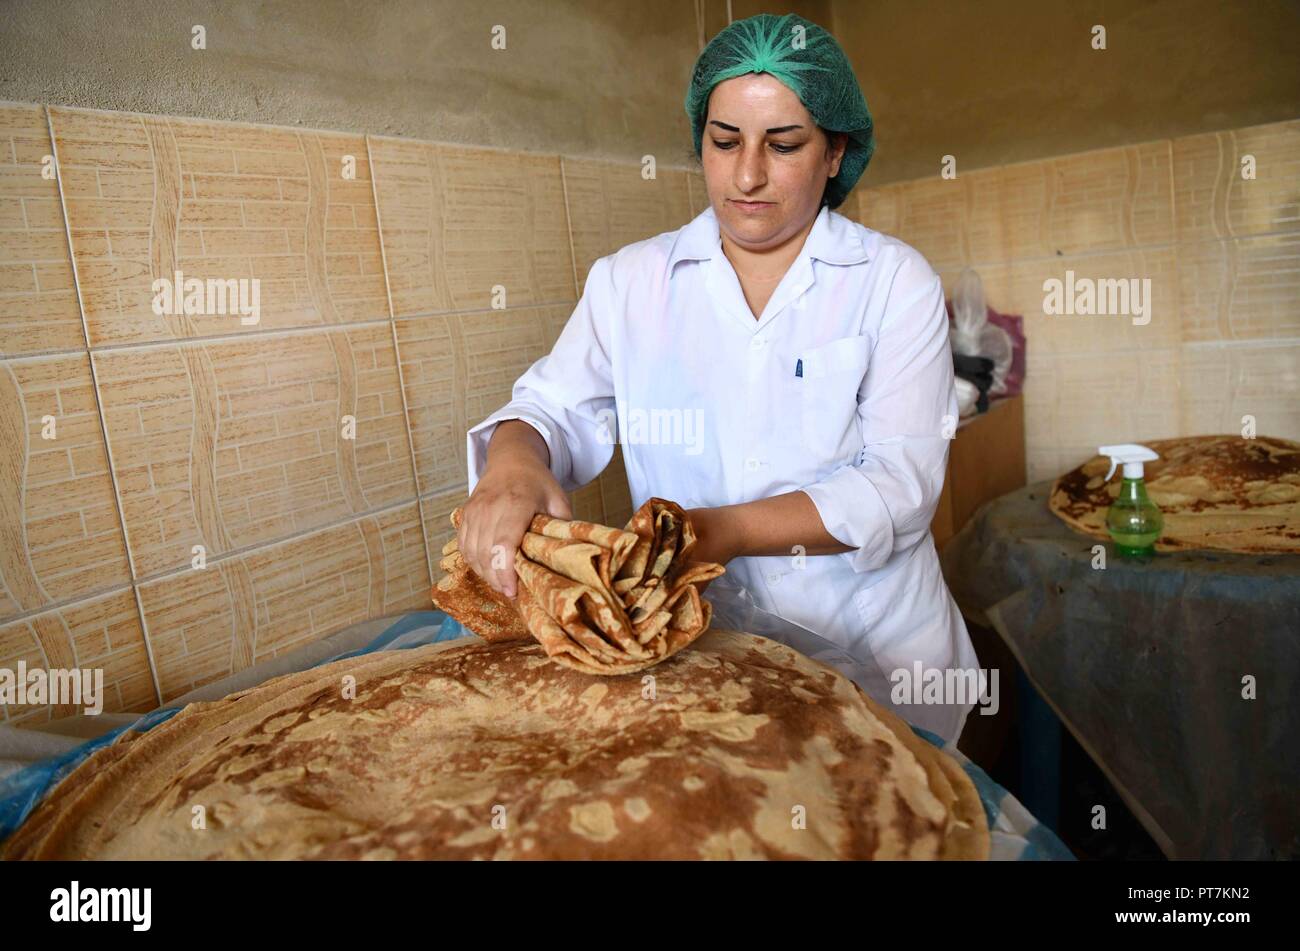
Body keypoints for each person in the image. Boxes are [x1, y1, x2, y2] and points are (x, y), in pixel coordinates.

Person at [458, 13, 980, 743]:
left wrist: (723, 531)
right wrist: (514, 462)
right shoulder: (631, 282)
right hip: (706, 656)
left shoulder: (892, 281)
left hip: (878, 654)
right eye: (725, 140)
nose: (746, 175)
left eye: (784, 144)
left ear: (835, 152)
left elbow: (901, 482)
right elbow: (549, 407)